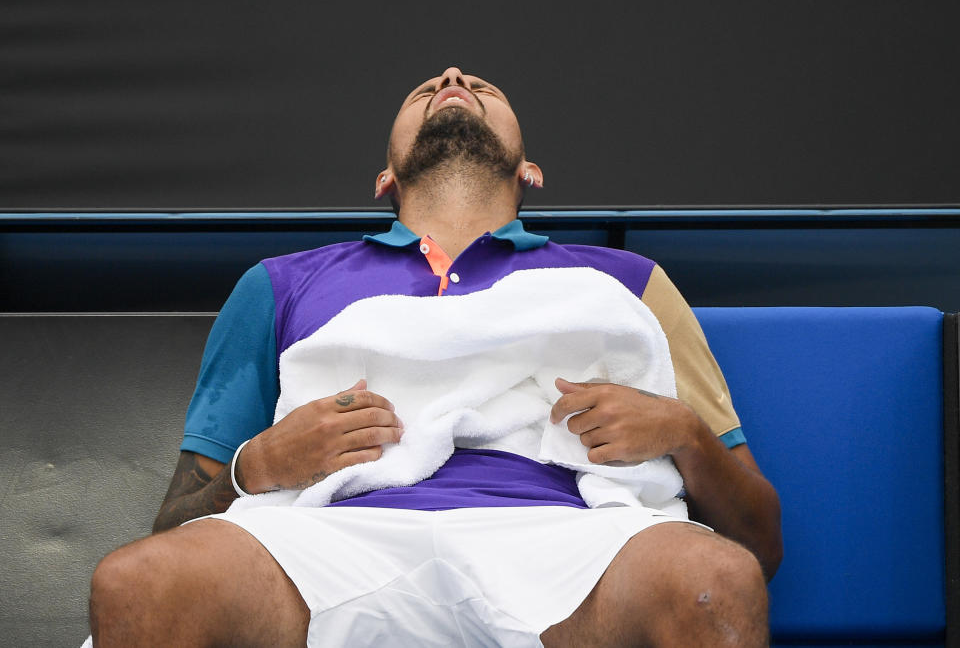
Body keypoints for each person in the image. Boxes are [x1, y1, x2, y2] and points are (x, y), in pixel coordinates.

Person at [87, 66, 782, 647]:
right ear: (385, 176)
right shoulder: (278, 285)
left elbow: (760, 545)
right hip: (329, 542)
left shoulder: (628, 285)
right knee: (136, 584)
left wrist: (683, 433)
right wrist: (258, 464)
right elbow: (176, 520)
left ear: (530, 170)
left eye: (481, 85)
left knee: (714, 580)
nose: (452, 77)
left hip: (569, 543)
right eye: (428, 88)